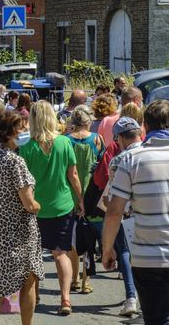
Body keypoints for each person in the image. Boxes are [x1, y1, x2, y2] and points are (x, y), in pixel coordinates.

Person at [103, 100, 169, 324]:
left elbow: (115, 211)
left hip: (149, 256)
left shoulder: (131, 160)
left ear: (144, 125)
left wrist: (107, 249)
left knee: (157, 319)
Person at [19, 100, 83, 316]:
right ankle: (65, 299)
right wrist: (80, 199)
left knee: (34, 255)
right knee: (61, 253)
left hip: (34, 209)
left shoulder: (26, 148)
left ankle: (34, 296)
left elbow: (22, 183)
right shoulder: (65, 143)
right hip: (62, 205)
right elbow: (73, 175)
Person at [0, 110, 44, 325]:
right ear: (10, 133)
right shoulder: (16, 162)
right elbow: (28, 203)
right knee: (28, 283)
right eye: (22, 128)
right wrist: (38, 206)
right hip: (18, 235)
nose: (26, 130)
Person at [100, 117, 142, 317]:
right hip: (149, 214)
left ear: (120, 138)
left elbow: (115, 198)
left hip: (127, 217)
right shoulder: (149, 153)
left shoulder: (119, 160)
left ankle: (131, 296)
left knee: (124, 251)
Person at [65, 105, 104, 295]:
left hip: (70, 194)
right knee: (89, 240)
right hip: (90, 195)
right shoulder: (97, 139)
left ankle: (74, 278)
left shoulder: (65, 141)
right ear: (88, 121)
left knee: (71, 240)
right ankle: (86, 280)